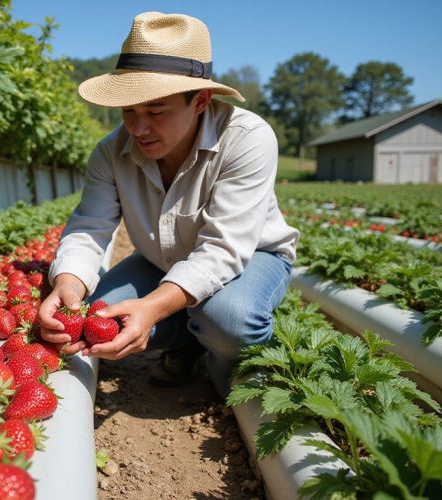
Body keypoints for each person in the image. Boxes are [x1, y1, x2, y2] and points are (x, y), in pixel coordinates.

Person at [37, 12, 300, 398]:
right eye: (129, 111)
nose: (138, 128)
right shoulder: (110, 153)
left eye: (156, 112)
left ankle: (237, 374)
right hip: (161, 257)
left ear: (200, 100)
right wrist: (68, 282)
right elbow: (90, 227)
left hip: (251, 257)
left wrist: (154, 308)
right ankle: (187, 343)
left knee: (228, 319)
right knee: (100, 313)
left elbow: (223, 249)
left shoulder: (247, 138)